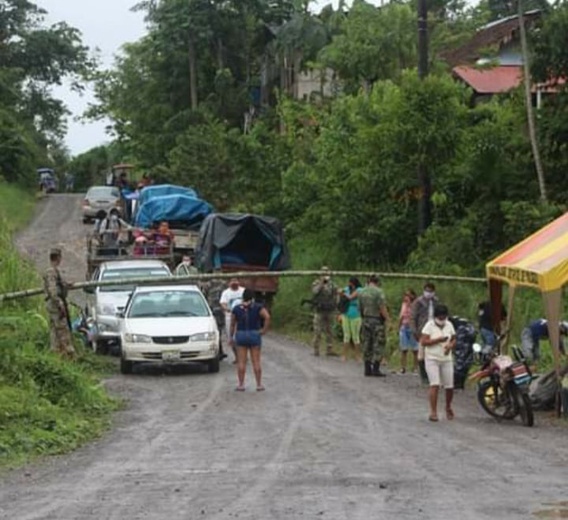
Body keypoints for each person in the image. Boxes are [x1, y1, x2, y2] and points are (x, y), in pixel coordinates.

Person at [230, 289, 271, 391]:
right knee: (256, 361)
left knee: (241, 362)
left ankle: (241, 385)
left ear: (243, 297)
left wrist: (231, 337)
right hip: (254, 334)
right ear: (252, 298)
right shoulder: (257, 307)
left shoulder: (236, 308)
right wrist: (264, 330)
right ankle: (259, 384)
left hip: (241, 334)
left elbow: (232, 324)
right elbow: (267, 317)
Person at [421, 304, 456, 422]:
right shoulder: (429, 325)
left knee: (449, 386)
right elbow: (424, 341)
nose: (442, 319)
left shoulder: (449, 325)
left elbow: (454, 338)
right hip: (432, 358)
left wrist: (450, 346)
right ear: (436, 316)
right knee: (434, 384)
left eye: (444, 317)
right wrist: (438, 340)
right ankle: (433, 411)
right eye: (440, 317)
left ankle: (448, 407)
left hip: (446, 358)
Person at [42, 248, 75, 359]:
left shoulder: (55, 271)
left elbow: (59, 284)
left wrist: (66, 285)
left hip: (54, 303)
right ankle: (68, 353)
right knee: (62, 328)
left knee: (54, 329)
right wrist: (59, 302)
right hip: (55, 304)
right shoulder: (51, 272)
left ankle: (55, 352)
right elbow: (52, 289)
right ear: (58, 257)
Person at [358, 274, 390, 377]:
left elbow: (360, 308)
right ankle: (376, 368)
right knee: (378, 343)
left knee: (367, 343)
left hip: (366, 319)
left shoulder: (362, 292)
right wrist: (388, 319)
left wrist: (364, 317)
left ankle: (367, 368)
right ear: (377, 282)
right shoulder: (379, 292)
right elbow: (382, 307)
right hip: (377, 320)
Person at [411, 282, 439, 384]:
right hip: (422, 330)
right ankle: (424, 376)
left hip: (434, 330)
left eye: (431, 291)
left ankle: (432, 375)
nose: (429, 293)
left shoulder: (436, 301)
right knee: (421, 354)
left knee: (433, 353)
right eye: (427, 290)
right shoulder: (418, 302)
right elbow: (413, 317)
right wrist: (414, 330)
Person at [311, 266, 338, 357]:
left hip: (330, 310)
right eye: (324, 273)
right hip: (320, 310)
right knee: (317, 330)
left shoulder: (332, 284)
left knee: (330, 330)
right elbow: (315, 292)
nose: (325, 275)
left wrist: (336, 305)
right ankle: (316, 349)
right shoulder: (316, 283)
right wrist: (321, 283)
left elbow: (336, 294)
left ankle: (329, 349)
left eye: (327, 273)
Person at [202, 270, 228, 361]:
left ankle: (216, 351)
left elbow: (203, 295)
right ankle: (219, 351)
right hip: (220, 309)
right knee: (219, 331)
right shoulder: (224, 284)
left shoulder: (208, 284)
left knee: (213, 331)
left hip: (212, 309)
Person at [338, 277, 363, 361]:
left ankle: (358, 356)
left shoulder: (359, 290)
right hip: (346, 313)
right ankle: (344, 355)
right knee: (346, 335)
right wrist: (340, 292)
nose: (349, 285)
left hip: (356, 315)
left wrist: (344, 294)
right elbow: (341, 294)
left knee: (355, 336)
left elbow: (351, 297)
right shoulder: (347, 289)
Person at [220, 278, 245, 360]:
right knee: (231, 338)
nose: (234, 283)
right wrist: (226, 308)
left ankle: (243, 355)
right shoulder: (226, 293)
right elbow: (223, 303)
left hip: (242, 317)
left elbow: (249, 301)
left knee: (242, 337)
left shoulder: (243, 291)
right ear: (229, 283)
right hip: (229, 317)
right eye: (232, 281)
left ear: (239, 282)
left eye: (236, 281)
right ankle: (237, 356)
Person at [399, 289, 418, 374]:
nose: (407, 297)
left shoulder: (416, 305)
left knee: (415, 349)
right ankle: (403, 367)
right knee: (403, 349)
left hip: (412, 327)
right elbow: (401, 316)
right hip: (404, 326)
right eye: (406, 295)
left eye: (409, 295)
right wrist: (399, 326)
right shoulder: (403, 305)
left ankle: (415, 368)